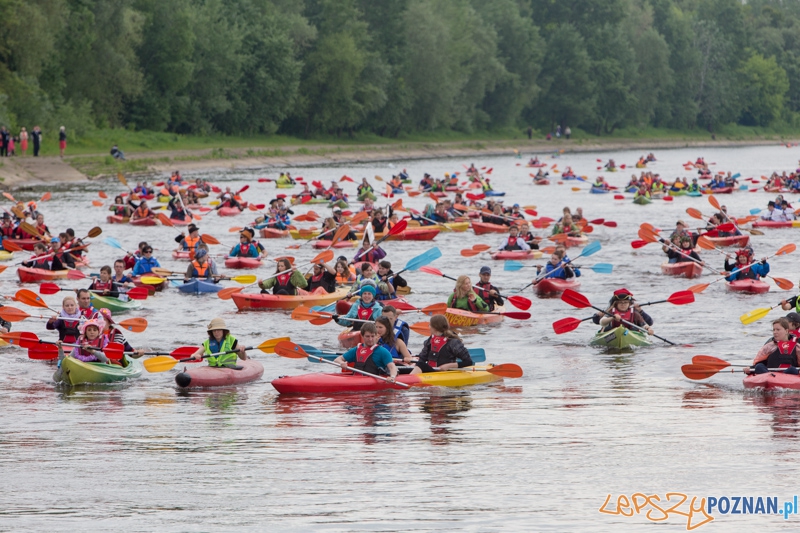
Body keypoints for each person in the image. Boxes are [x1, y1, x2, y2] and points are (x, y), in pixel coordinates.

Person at [333, 322, 398, 382]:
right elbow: (337, 359)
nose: (370, 339)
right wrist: (341, 363)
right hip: (356, 379)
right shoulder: (356, 350)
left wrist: (392, 377)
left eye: (372, 336)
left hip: (373, 382)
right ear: (362, 336)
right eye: (367, 336)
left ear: (376, 335)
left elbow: (392, 367)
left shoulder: (383, 351)